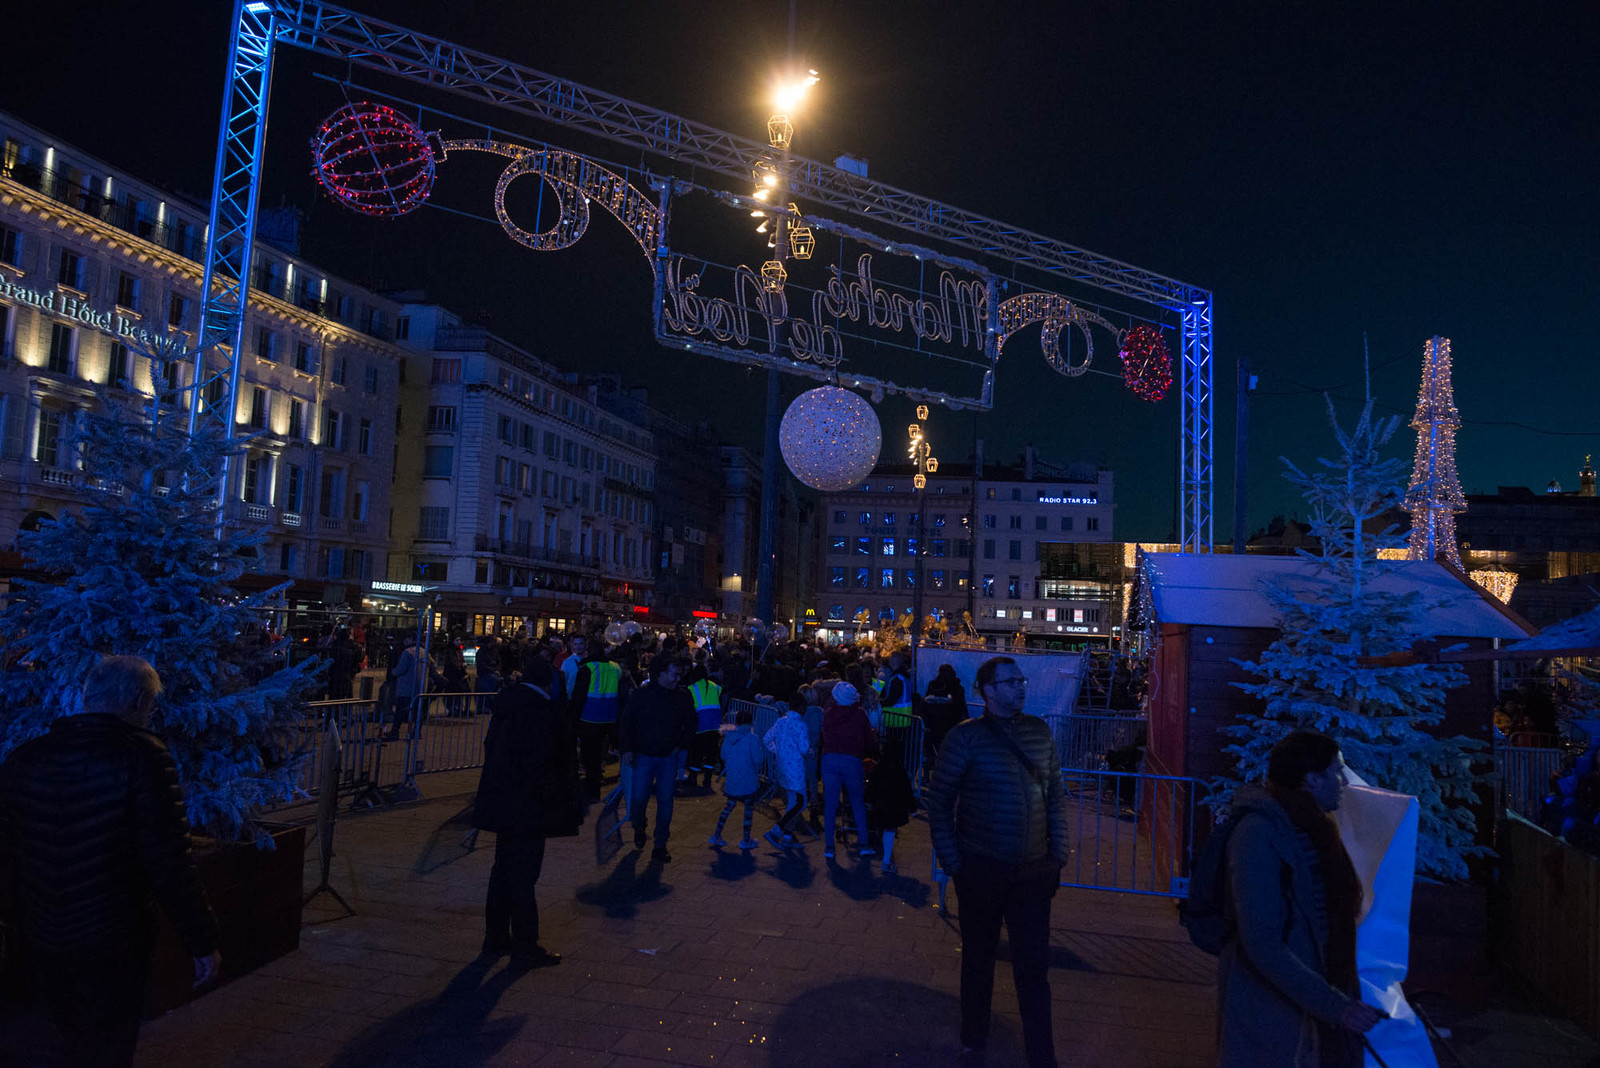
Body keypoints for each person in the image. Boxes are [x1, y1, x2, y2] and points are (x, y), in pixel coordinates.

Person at [0, 656, 221, 1066]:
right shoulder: (143, 757)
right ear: (137, 702)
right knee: (107, 1045)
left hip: (39, 935)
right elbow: (168, 860)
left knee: (55, 1040)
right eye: (150, 705)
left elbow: (7, 852)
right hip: (112, 939)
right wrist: (201, 940)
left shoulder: (25, 758)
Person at [926, 656, 1068, 1068]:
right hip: (981, 869)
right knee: (978, 961)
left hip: (1032, 872)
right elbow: (939, 802)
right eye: (1011, 682)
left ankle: (1042, 1053)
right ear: (988, 690)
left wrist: (1058, 856)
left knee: (1034, 969)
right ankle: (973, 1041)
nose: (1020, 687)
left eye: (1021, 680)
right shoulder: (966, 738)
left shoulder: (1038, 732)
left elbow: (1055, 796)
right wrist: (955, 863)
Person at [1217, 731, 1383, 1067]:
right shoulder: (1260, 833)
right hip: (1273, 1016)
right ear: (1312, 779)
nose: (1343, 782)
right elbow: (1262, 940)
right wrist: (1334, 1006)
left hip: (1311, 1004)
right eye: (1336, 772)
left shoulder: (1315, 828)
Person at [470, 654, 575, 970]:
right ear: (548, 682)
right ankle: (525, 944)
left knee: (502, 868)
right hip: (530, 805)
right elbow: (548, 762)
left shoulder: (507, 704)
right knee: (524, 874)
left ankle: (496, 936)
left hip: (502, 800)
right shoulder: (542, 712)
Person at [617, 653, 695, 863]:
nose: (678, 678)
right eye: (674, 674)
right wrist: (627, 749)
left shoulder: (682, 696)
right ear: (660, 673)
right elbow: (627, 722)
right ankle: (639, 824)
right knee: (638, 798)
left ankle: (660, 844)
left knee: (666, 802)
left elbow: (691, 723)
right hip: (643, 755)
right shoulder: (642, 695)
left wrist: (680, 745)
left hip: (668, 756)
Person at [819, 681, 876, 861]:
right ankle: (864, 844)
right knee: (857, 801)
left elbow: (824, 734)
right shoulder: (859, 714)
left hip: (830, 758)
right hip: (852, 760)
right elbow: (869, 739)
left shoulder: (828, 713)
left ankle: (829, 847)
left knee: (830, 804)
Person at [570, 639, 630, 800]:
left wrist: (574, 718)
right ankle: (597, 782)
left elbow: (578, 696)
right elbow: (622, 693)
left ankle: (592, 790)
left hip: (589, 718)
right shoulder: (615, 667)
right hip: (610, 718)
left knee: (590, 756)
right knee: (601, 753)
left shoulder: (588, 668)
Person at [710, 709, 763, 850]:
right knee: (748, 809)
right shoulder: (752, 738)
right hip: (748, 780)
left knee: (729, 806)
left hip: (732, 780)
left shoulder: (729, 736)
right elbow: (758, 760)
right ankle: (746, 839)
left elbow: (723, 756)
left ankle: (717, 834)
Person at [865, 739, 917, 876]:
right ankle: (886, 860)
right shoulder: (899, 770)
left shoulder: (878, 768)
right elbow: (906, 791)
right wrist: (912, 808)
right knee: (890, 830)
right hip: (894, 807)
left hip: (880, 805)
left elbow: (871, 787)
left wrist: (869, 801)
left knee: (883, 828)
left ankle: (883, 855)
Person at [763, 702, 811, 848]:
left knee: (792, 802)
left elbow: (766, 739)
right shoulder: (801, 725)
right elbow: (804, 749)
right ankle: (776, 830)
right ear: (801, 708)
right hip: (795, 769)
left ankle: (788, 837)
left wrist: (778, 751)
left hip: (782, 767)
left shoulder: (780, 721)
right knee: (801, 803)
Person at [685, 663, 725, 791]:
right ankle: (707, 780)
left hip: (700, 725)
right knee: (711, 754)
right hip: (715, 725)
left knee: (696, 754)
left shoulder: (692, 688)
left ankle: (693, 778)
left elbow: (689, 709)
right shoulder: (715, 687)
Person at [386, 634, 426, 739]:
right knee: (417, 711)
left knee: (400, 710)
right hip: (420, 687)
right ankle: (416, 731)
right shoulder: (423, 651)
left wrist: (393, 672)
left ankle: (395, 731)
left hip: (406, 686)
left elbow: (401, 669)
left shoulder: (407, 652)